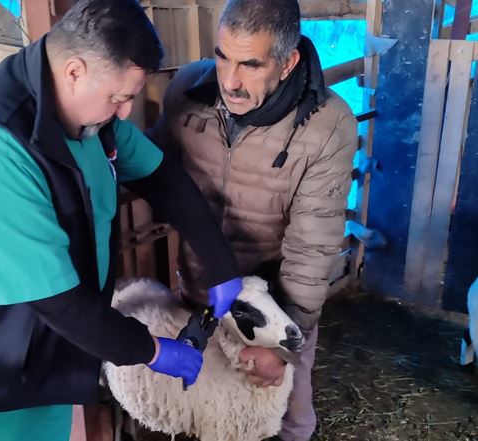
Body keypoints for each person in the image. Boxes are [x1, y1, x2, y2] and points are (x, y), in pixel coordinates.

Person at [0, 0, 244, 439]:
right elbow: (56, 300)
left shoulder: (90, 118)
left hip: (47, 357)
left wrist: (218, 261)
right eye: (119, 97)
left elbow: (160, 175)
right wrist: (148, 350)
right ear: (74, 71)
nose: (126, 111)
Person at [151, 0, 358, 439]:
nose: (229, 80)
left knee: (286, 412)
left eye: (250, 64)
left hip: (275, 313)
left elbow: (313, 245)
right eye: (222, 56)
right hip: (200, 295)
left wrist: (284, 347)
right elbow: (151, 169)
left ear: (287, 64)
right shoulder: (188, 92)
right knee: (208, 409)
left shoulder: (327, 125)